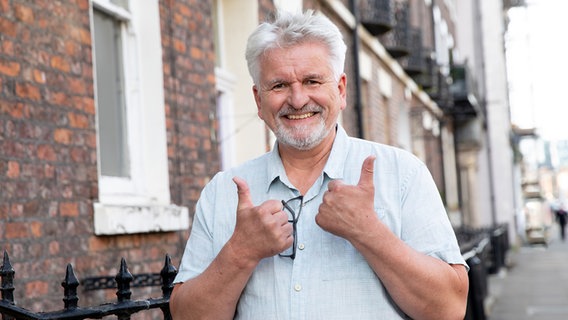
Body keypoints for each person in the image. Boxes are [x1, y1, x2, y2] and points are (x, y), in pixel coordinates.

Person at [170, 10, 468, 320]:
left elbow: (449, 308)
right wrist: (240, 253)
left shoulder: (403, 174)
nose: (297, 100)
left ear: (340, 90)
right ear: (259, 101)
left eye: (312, 81)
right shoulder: (223, 192)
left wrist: (368, 232)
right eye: (279, 86)